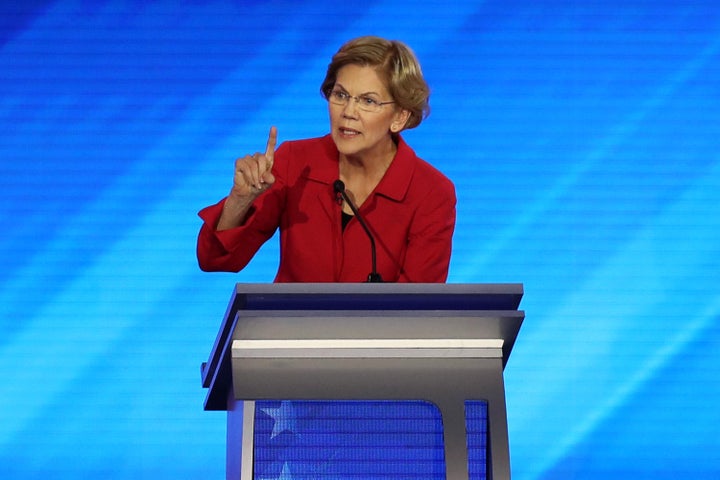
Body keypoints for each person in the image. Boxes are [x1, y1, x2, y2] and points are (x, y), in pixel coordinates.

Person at [196, 36, 456, 282]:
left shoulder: (431, 193)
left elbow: (418, 308)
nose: (348, 112)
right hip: (289, 328)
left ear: (400, 116)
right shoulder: (295, 162)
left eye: (367, 100)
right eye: (340, 95)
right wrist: (240, 200)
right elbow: (215, 259)